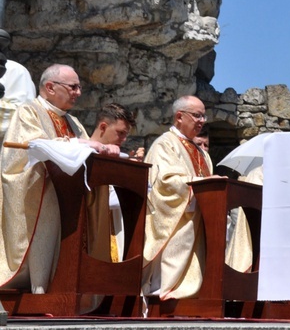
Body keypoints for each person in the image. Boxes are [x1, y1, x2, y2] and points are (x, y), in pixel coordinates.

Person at [0, 64, 121, 293]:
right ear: (50, 87)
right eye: (73, 87)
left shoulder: (73, 123)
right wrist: (79, 144)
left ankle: (64, 289)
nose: (78, 92)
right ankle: (39, 289)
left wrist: (103, 150)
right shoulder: (29, 112)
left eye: (79, 87)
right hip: (41, 197)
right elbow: (31, 149)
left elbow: (90, 152)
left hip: (69, 202)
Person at [142, 96, 253, 300]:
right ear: (179, 116)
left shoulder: (201, 152)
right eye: (197, 115)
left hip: (200, 221)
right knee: (173, 275)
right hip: (177, 223)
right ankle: (166, 296)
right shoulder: (165, 145)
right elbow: (165, 184)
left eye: (203, 116)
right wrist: (203, 185)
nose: (202, 121)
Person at [89, 103, 143, 262]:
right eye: (120, 133)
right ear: (103, 127)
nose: (124, 139)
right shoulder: (81, 154)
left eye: (126, 134)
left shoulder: (121, 158)